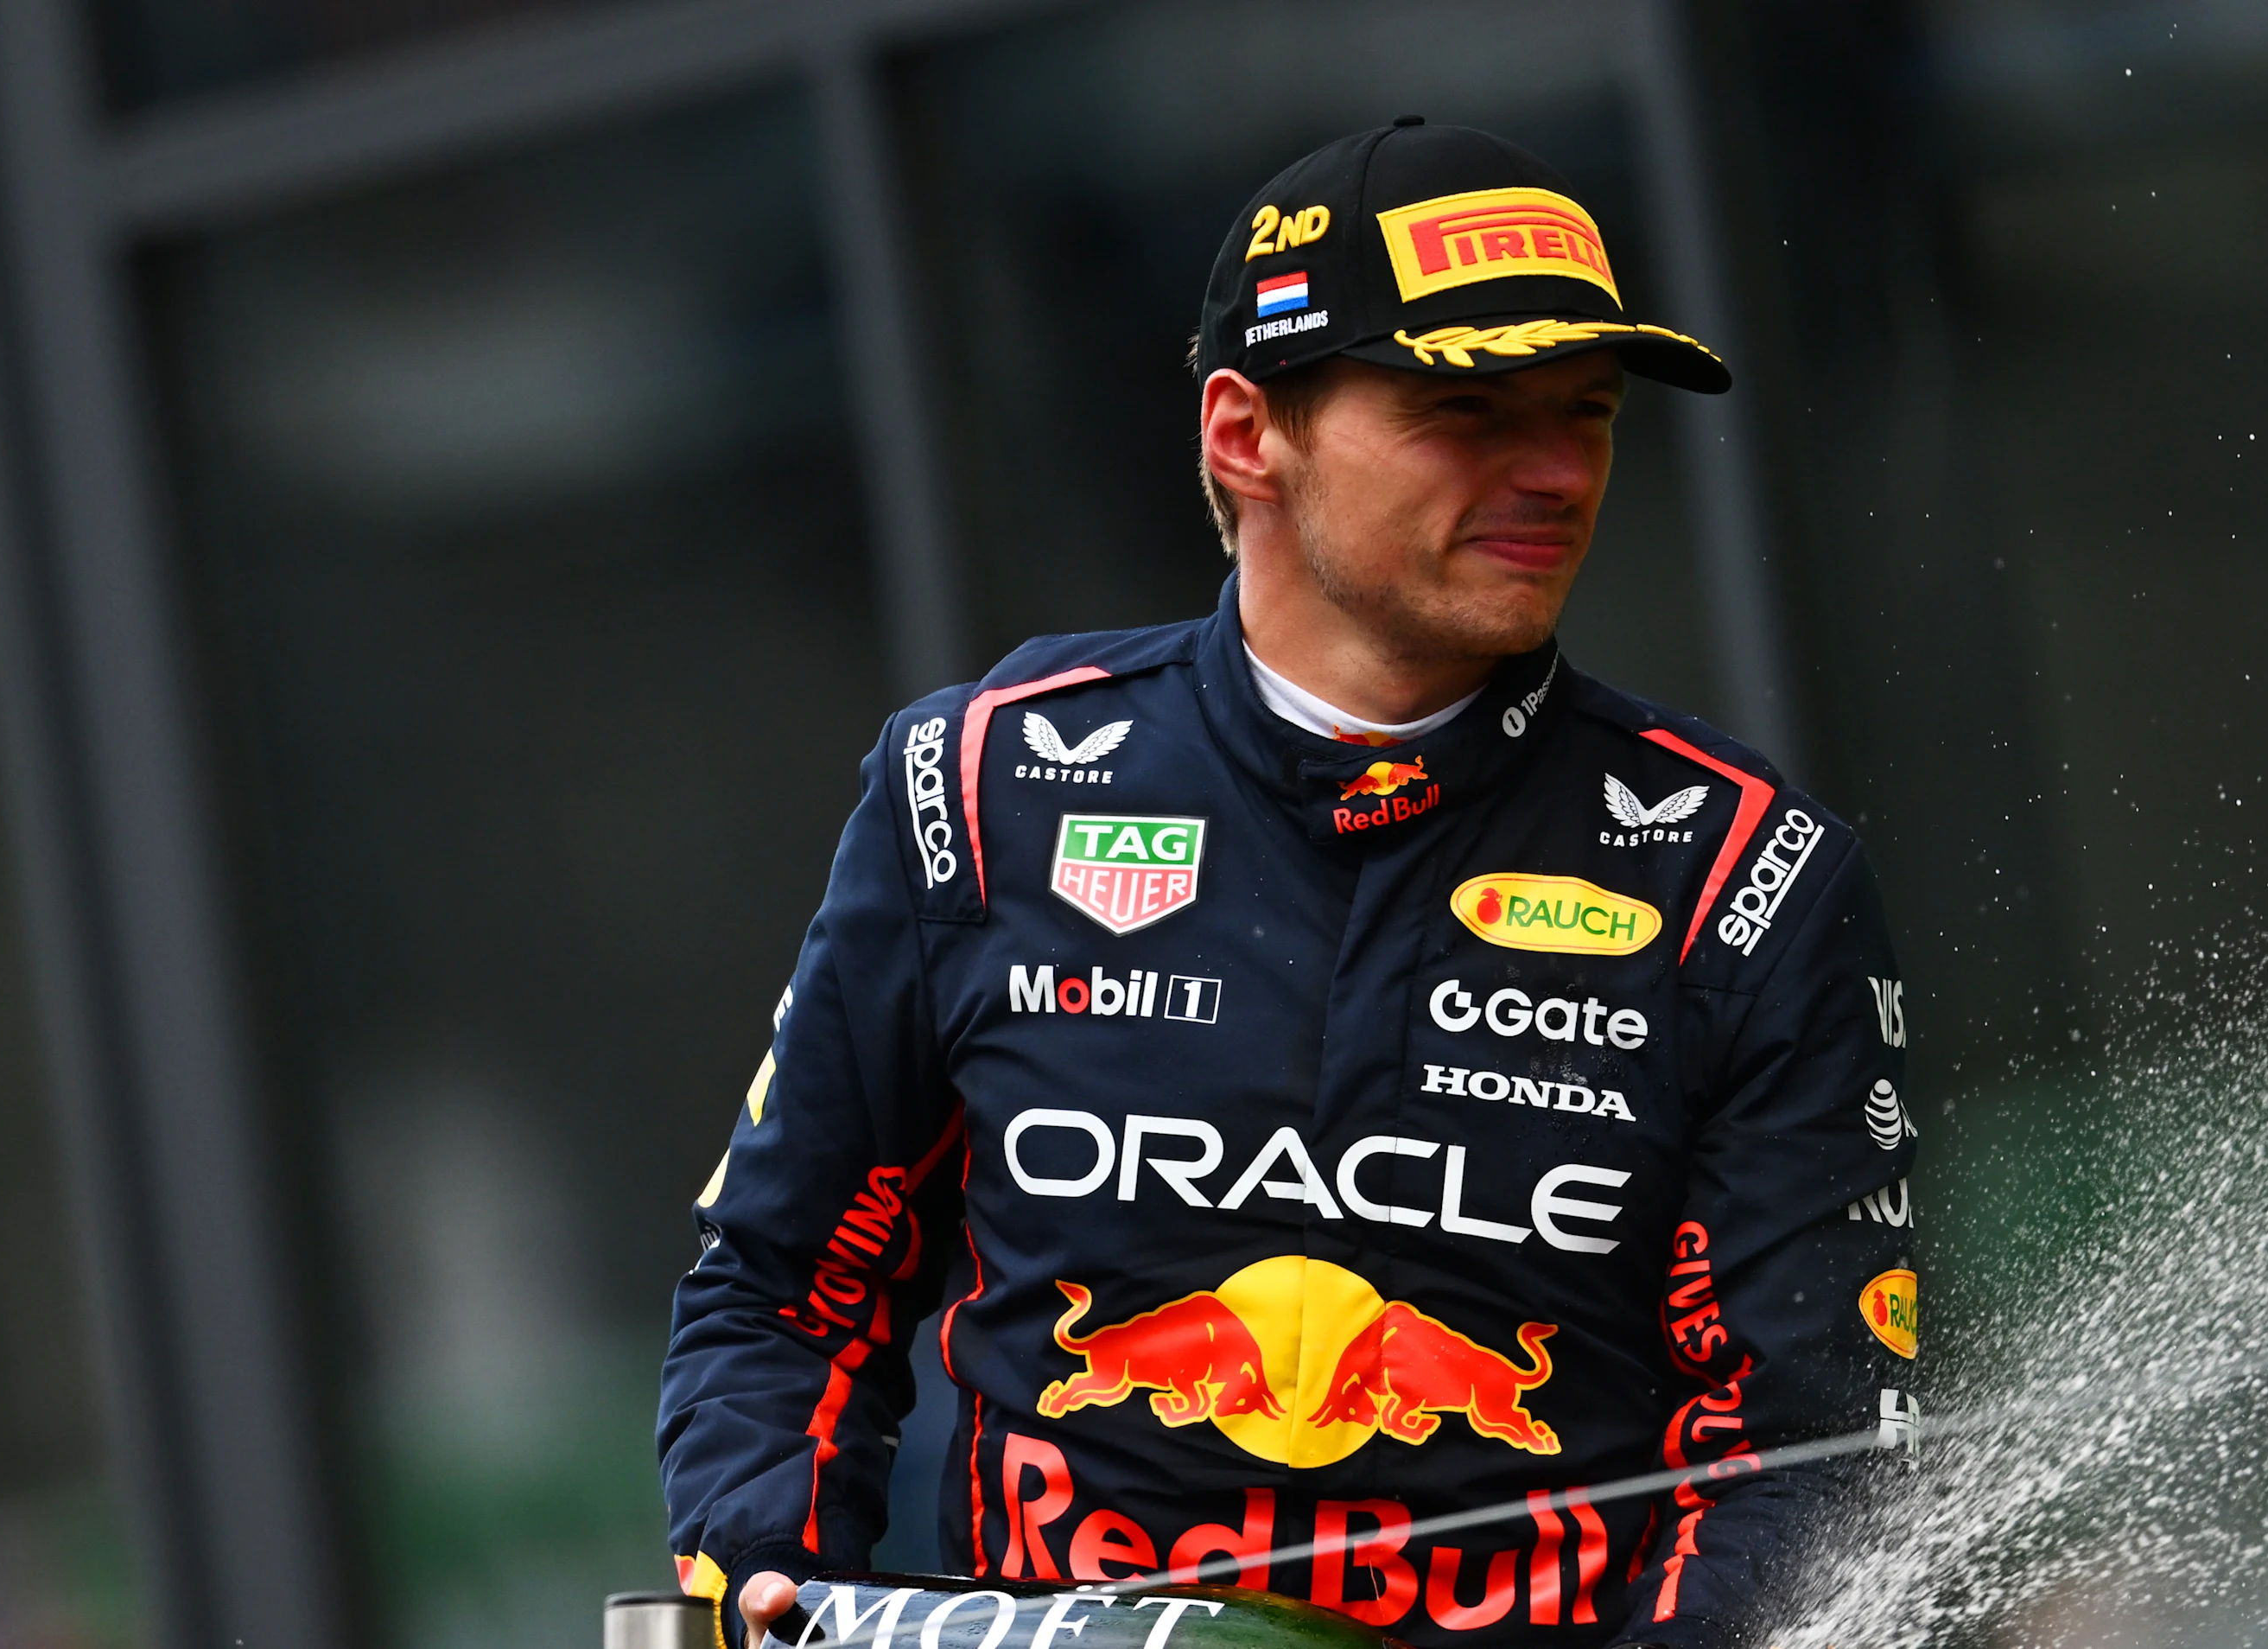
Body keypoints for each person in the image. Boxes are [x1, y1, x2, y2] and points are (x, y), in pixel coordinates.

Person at [658, 118, 1922, 1649]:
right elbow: (784, 1286)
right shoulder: (984, 786)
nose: (1551, 472)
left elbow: (1815, 1464)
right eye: (1468, 410)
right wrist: (769, 1578)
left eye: (1584, 414)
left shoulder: (1748, 872)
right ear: (1246, 434)